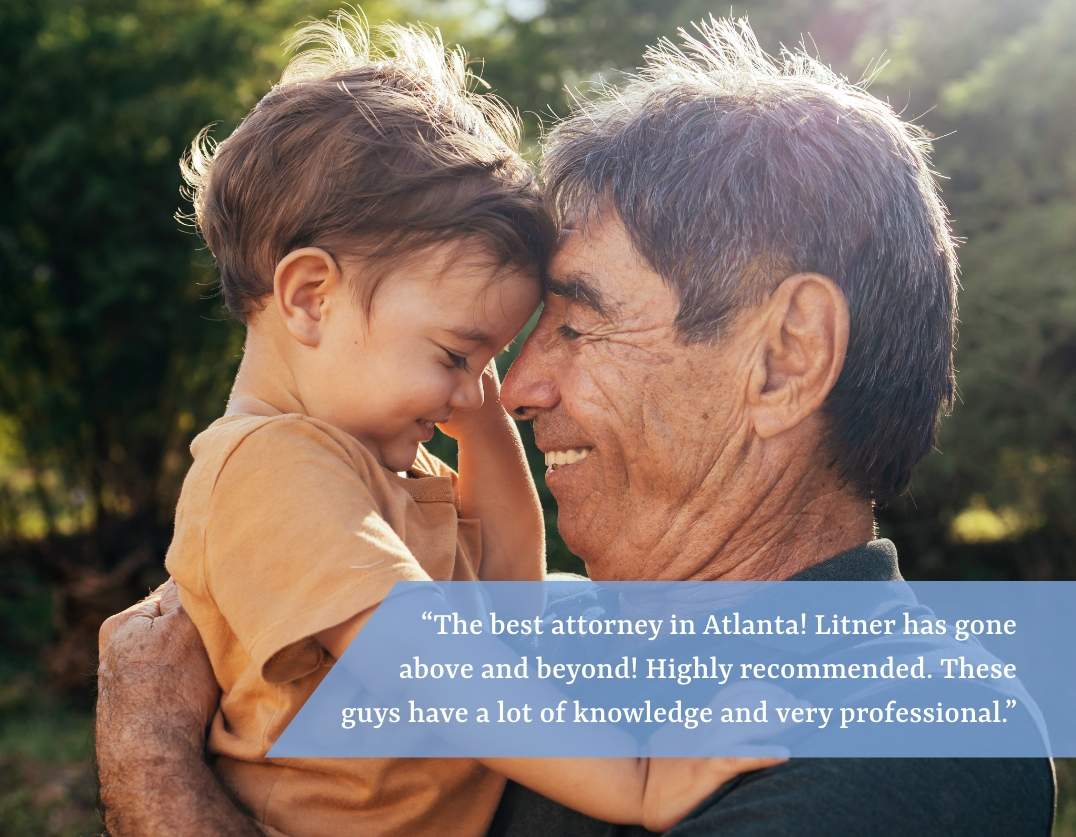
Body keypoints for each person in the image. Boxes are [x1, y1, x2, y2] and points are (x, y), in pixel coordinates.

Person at [96, 16, 1055, 837]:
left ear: (784, 357)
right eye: (475, 348)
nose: (511, 389)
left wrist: (151, 767)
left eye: (579, 320)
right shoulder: (539, 631)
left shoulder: (915, 731)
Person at [149, 12, 777, 837]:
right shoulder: (269, 471)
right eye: (455, 354)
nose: (474, 390)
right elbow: (433, 665)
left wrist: (484, 433)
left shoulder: (377, 478)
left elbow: (510, 603)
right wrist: (639, 785)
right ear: (311, 297)